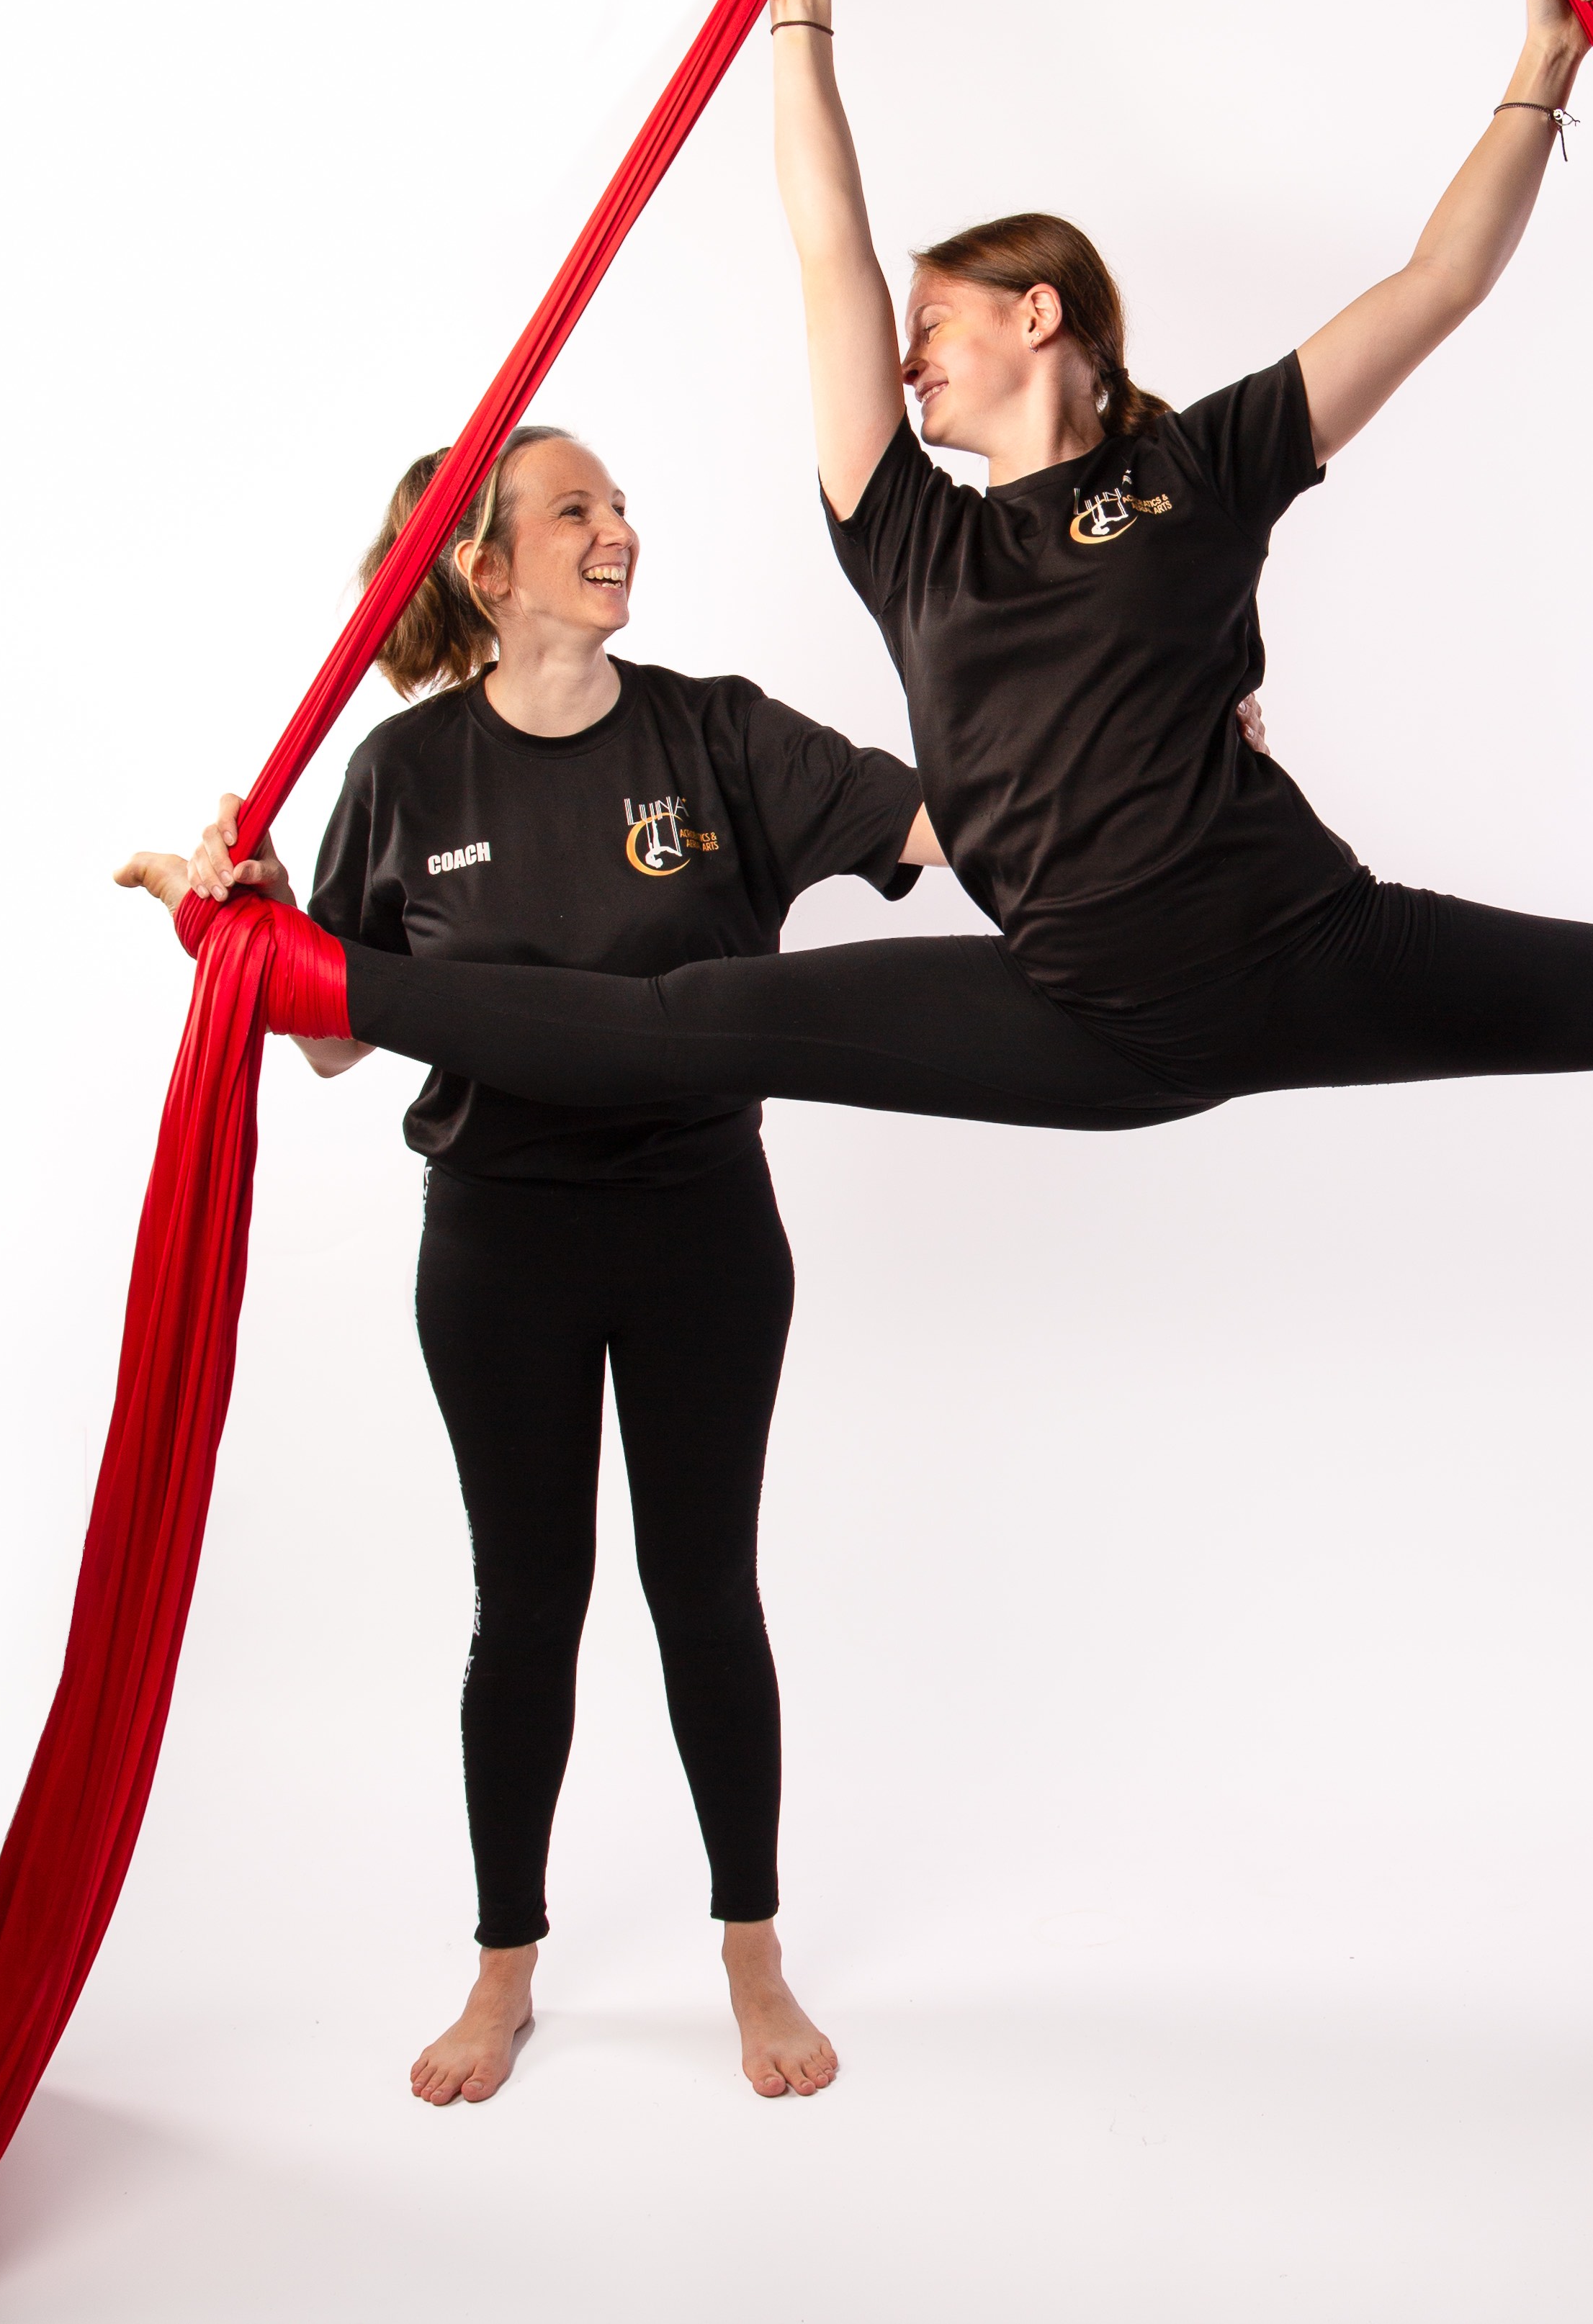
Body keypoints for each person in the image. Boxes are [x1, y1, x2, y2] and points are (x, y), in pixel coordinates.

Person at [133, 0, 1593, 1315]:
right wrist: (802, 18)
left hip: (1304, 948)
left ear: (1040, 316)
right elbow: (825, 249)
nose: (907, 360)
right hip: (1078, 1017)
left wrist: (1540, 72)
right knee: (678, 1021)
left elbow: (1434, 284)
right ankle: (309, 974)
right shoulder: (906, 534)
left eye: (941, 326)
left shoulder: (1202, 468)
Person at [121, 427, 943, 2111]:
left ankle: (751, 1945)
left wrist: (1147, 757)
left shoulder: (715, 733)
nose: (619, 529)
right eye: (577, 509)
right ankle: (505, 1964)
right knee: (528, 1606)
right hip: (500, 1243)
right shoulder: (408, 774)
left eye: (621, 504)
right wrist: (246, 921)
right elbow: (335, 1037)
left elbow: (940, 826)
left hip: (704, 1227)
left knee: (705, 1591)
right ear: (485, 568)